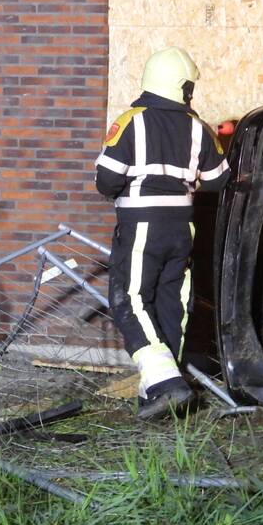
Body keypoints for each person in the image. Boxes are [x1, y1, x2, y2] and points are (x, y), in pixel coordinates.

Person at [95, 46, 230, 420]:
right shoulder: (199, 128)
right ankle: (159, 392)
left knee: (129, 299)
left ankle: (164, 382)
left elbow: (106, 181)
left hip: (142, 224)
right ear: (182, 86)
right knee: (172, 301)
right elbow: (218, 180)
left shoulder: (131, 122)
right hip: (182, 228)